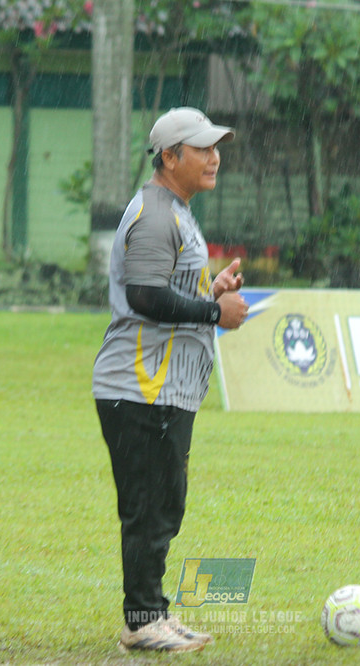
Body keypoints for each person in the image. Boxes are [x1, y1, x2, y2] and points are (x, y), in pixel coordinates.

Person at [91, 107, 249, 653]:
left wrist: (211, 290)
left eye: (215, 147)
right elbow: (145, 297)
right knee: (149, 505)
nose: (215, 158)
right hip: (139, 388)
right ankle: (142, 620)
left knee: (164, 502)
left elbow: (167, 289)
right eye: (202, 149)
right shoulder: (157, 214)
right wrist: (214, 312)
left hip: (163, 389)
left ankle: (153, 611)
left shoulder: (175, 209)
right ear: (169, 157)